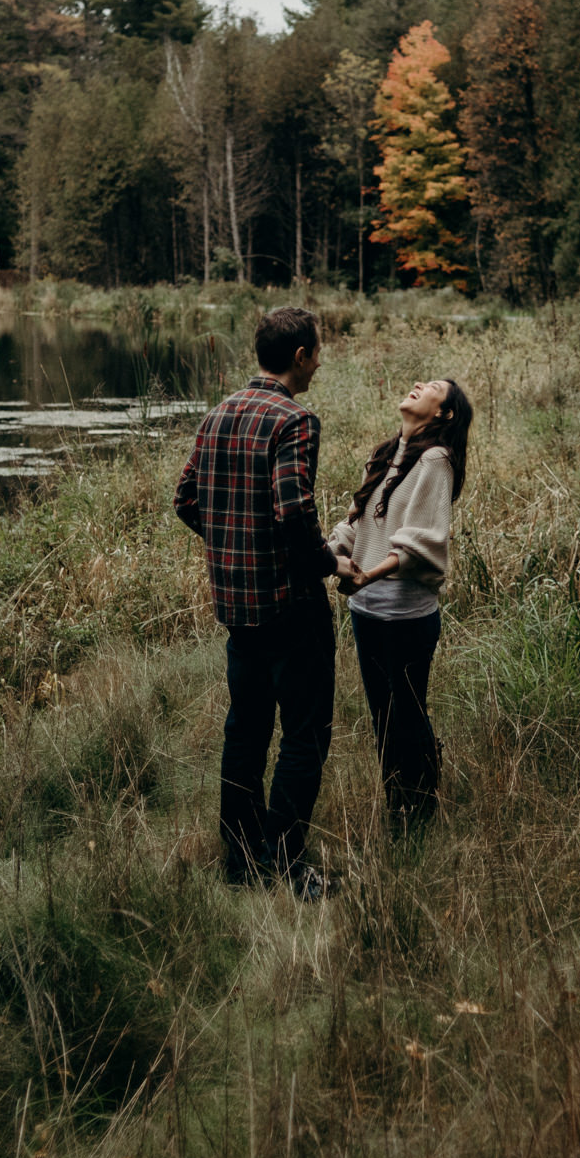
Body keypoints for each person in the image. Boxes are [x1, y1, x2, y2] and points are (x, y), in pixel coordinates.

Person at [175, 306, 352, 897]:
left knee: (245, 731)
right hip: (290, 604)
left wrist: (231, 544)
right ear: (300, 356)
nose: (318, 365)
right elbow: (294, 510)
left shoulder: (217, 413)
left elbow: (186, 499)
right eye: (316, 354)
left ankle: (241, 862)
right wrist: (330, 564)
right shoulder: (294, 420)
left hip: (235, 604)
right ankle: (289, 865)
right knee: (305, 736)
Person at [330, 378, 473, 838]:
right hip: (366, 610)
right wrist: (323, 555)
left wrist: (365, 576)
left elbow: (422, 542)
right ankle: (400, 808)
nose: (417, 385)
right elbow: (362, 525)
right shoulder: (391, 451)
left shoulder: (435, 460)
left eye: (431, 387)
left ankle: (419, 815)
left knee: (405, 713)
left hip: (404, 613)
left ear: (442, 414)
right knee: (382, 715)